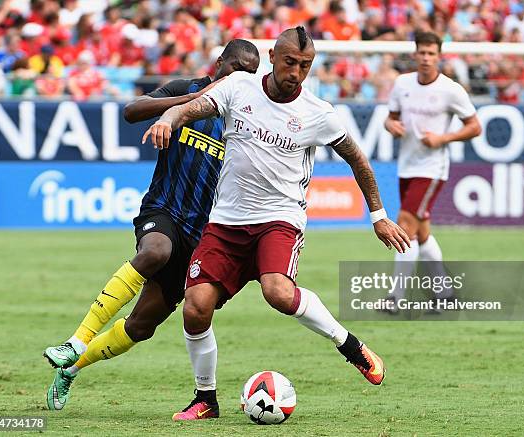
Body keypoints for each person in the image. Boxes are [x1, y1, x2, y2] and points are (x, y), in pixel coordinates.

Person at [141, 26, 411, 421]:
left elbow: (358, 159)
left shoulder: (318, 113)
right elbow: (189, 109)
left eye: (305, 66)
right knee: (196, 307)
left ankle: (351, 347)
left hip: (279, 219)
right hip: (227, 222)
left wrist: (379, 216)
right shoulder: (238, 87)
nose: (296, 73)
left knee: (279, 293)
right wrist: (169, 118)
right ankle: (206, 399)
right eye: (290, 63)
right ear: (272, 56)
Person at [43, 39, 261, 411]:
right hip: (163, 210)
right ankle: (77, 341)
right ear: (219, 62)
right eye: (236, 69)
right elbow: (132, 110)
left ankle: (73, 366)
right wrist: (183, 106)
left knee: (141, 327)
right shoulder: (185, 89)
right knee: (156, 251)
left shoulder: (247, 116)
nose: (241, 79)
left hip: (203, 234)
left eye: (250, 75)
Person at [383, 31, 481, 309]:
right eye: (422, 53)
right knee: (421, 232)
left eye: (431, 53)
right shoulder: (402, 84)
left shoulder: (451, 90)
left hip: (433, 168)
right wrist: (391, 126)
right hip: (407, 165)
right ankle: (445, 293)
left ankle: (396, 297)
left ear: (439, 56)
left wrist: (443, 138)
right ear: (414, 54)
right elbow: (390, 119)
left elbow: (475, 126)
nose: (426, 58)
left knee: (404, 224)